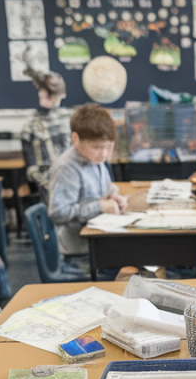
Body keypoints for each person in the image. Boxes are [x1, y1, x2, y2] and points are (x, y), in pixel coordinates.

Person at [46, 103, 127, 276]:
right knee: (135, 270)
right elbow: (58, 212)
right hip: (79, 256)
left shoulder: (93, 159)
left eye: (108, 147)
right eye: (97, 147)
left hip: (99, 243)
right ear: (76, 139)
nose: (103, 153)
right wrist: (100, 206)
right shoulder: (67, 168)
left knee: (141, 260)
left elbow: (103, 188)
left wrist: (114, 195)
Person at [21, 67, 71, 199]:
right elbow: (31, 162)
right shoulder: (31, 126)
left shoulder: (67, 120)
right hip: (46, 183)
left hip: (69, 178)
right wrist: (42, 181)